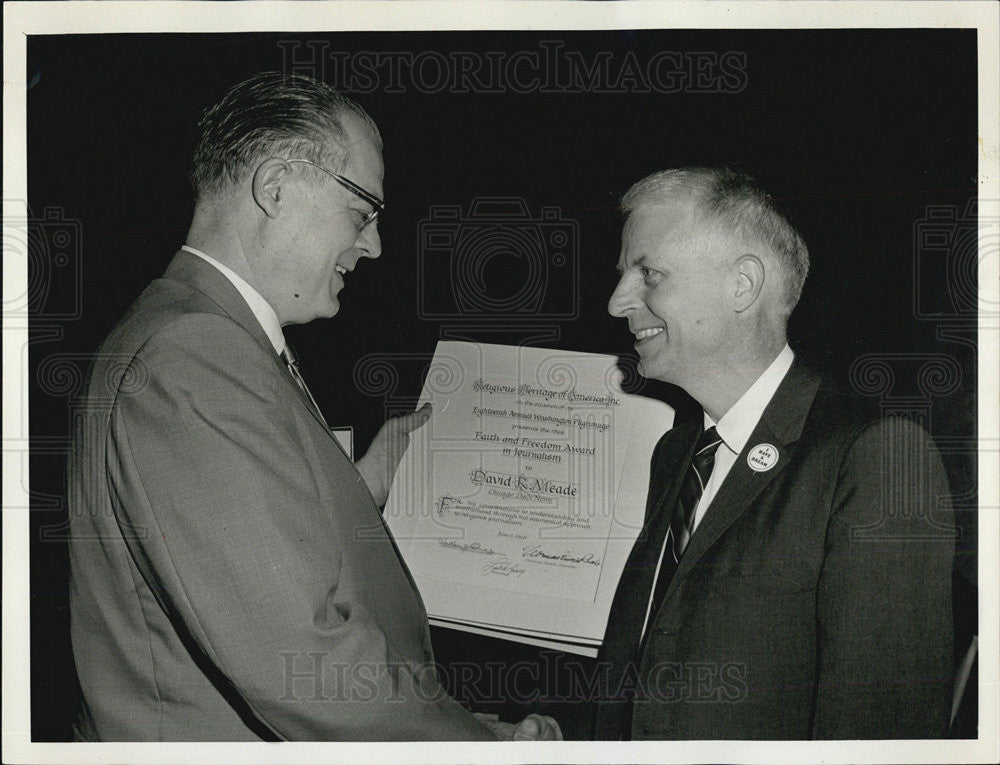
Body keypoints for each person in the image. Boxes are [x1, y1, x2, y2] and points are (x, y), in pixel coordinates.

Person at [67, 71, 559, 742]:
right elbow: (302, 663)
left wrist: (359, 491)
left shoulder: (203, 332)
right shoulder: (194, 356)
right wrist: (480, 744)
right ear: (275, 186)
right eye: (362, 212)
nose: (375, 245)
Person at [592, 166, 955, 739]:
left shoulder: (876, 458)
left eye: (650, 274)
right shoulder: (675, 453)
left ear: (743, 285)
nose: (617, 302)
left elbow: (881, 734)